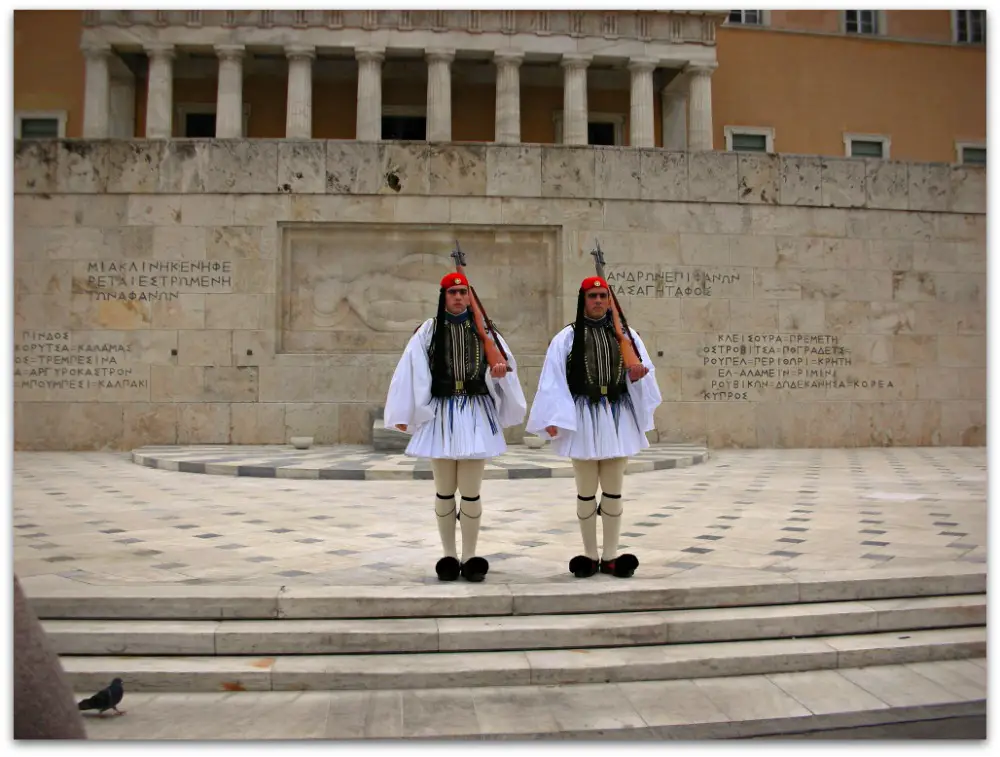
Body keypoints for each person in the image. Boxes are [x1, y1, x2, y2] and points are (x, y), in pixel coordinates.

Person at [384, 271, 526, 582]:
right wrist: (404, 410)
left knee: (471, 492)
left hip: (475, 412)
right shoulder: (429, 331)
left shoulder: (486, 331)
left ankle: (471, 556)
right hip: (442, 414)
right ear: (443, 296)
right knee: (445, 491)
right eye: (453, 292)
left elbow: (504, 369)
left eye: (463, 292)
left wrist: (499, 372)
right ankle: (449, 556)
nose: (458, 297)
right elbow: (411, 370)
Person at [526, 275, 662, 579]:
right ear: (583, 300)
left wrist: (638, 375)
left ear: (609, 300)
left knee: (613, 490)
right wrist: (552, 419)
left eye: (603, 296)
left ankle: (611, 555)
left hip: (616, 415)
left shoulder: (627, 336)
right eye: (592, 296)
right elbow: (552, 380)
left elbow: (643, 375)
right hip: (583, 417)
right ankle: (589, 555)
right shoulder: (567, 337)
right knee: (586, 491)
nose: (598, 301)